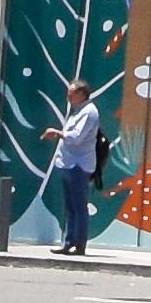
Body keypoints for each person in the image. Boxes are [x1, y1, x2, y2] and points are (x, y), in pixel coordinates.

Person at [50, 84, 106, 255]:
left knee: (79, 206)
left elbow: (76, 137)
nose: (68, 98)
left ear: (81, 94)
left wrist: (57, 133)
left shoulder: (89, 112)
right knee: (70, 205)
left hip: (79, 165)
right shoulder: (77, 110)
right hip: (68, 163)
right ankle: (69, 242)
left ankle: (79, 244)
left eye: (71, 94)